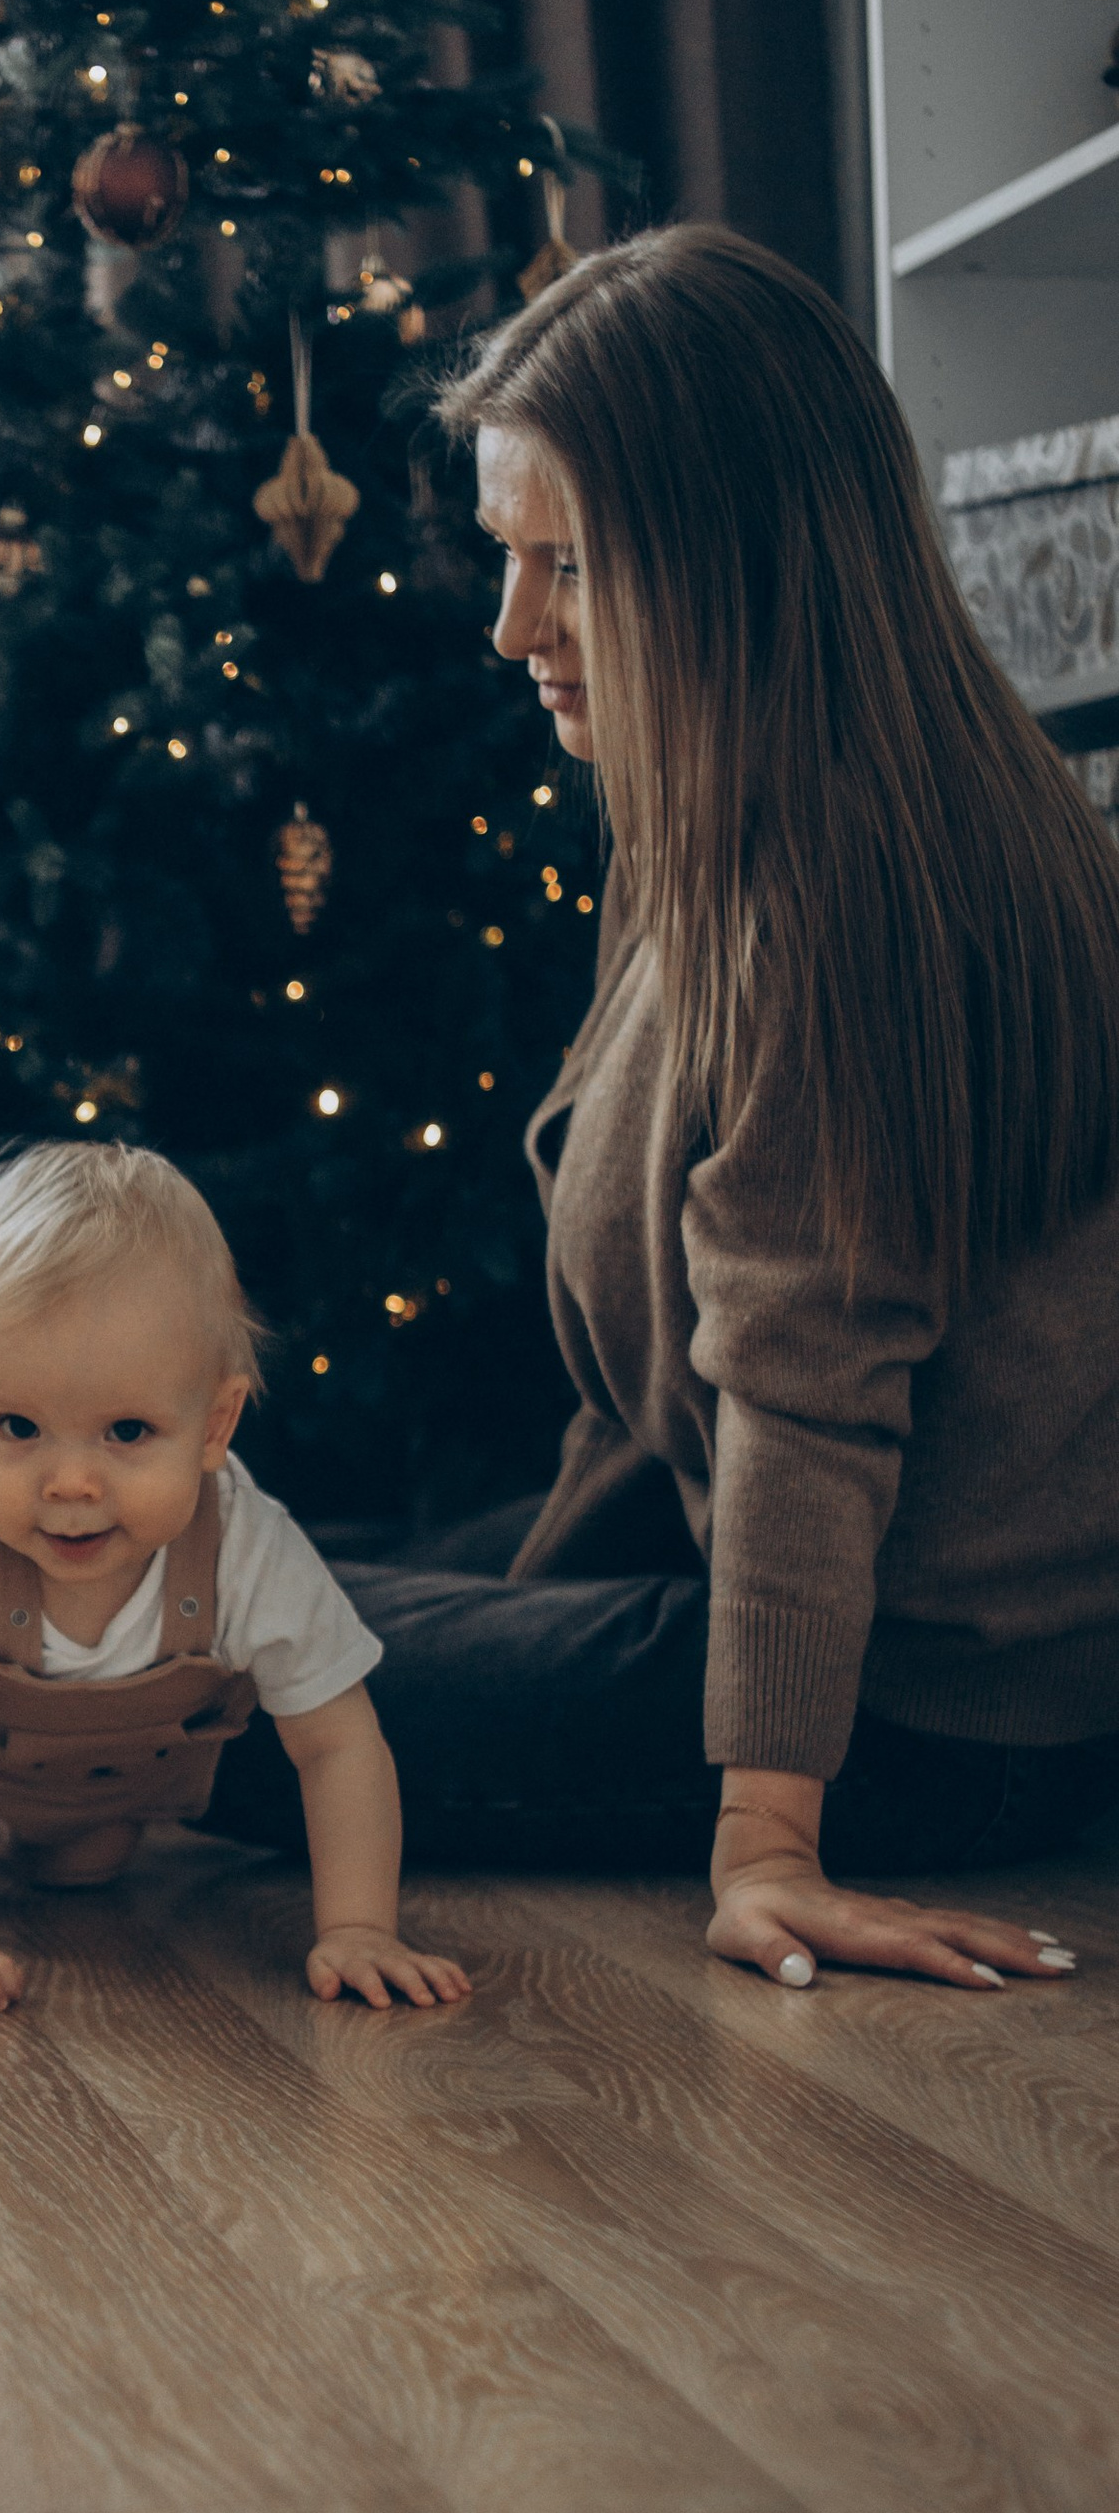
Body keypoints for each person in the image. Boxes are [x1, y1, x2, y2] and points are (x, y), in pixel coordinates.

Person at [212, 224, 1111, 1999]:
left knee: (174, 1667)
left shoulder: (844, 907)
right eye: (506, 555)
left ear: (733, 560)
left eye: (568, 565)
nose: (511, 628)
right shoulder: (724, 805)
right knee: (204, 1573)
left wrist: (767, 1846)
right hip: (766, 1596)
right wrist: (507, 1623)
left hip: (913, 1715)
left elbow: (806, 1401)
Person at [0, 1143, 470, 2021]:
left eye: (127, 1432)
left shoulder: (247, 1547)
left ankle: (52, 1834)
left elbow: (336, 1743)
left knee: (85, 1863)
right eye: (18, 1427)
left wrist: (360, 1927)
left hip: (96, 1779)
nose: (71, 1483)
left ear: (214, 1426)